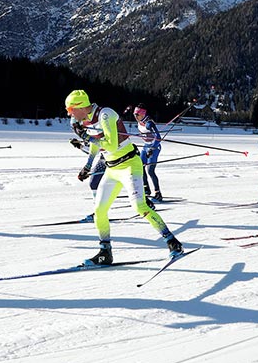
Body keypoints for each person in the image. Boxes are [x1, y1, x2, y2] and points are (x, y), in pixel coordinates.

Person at [64, 90, 182, 265]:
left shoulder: (105, 114)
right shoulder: (85, 120)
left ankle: (173, 242)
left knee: (139, 205)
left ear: (80, 106)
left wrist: (85, 136)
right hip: (112, 169)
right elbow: (97, 145)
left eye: (71, 109)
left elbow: (110, 145)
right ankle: (105, 253)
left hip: (129, 165)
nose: (69, 114)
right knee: (99, 212)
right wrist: (88, 165)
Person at [69, 117, 107, 222]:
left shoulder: (96, 128)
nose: (77, 132)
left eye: (77, 128)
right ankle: (98, 213)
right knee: (94, 183)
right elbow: (94, 150)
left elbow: (99, 146)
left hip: (117, 158)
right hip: (105, 158)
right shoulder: (90, 131)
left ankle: (144, 201)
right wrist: (80, 146)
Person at [133, 104, 163, 201]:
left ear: (143, 114)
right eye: (134, 114)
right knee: (140, 167)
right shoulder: (140, 122)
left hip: (154, 147)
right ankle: (146, 189)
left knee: (150, 170)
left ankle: (158, 193)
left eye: (137, 114)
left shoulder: (149, 123)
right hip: (146, 146)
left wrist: (152, 148)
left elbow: (158, 137)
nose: (135, 116)